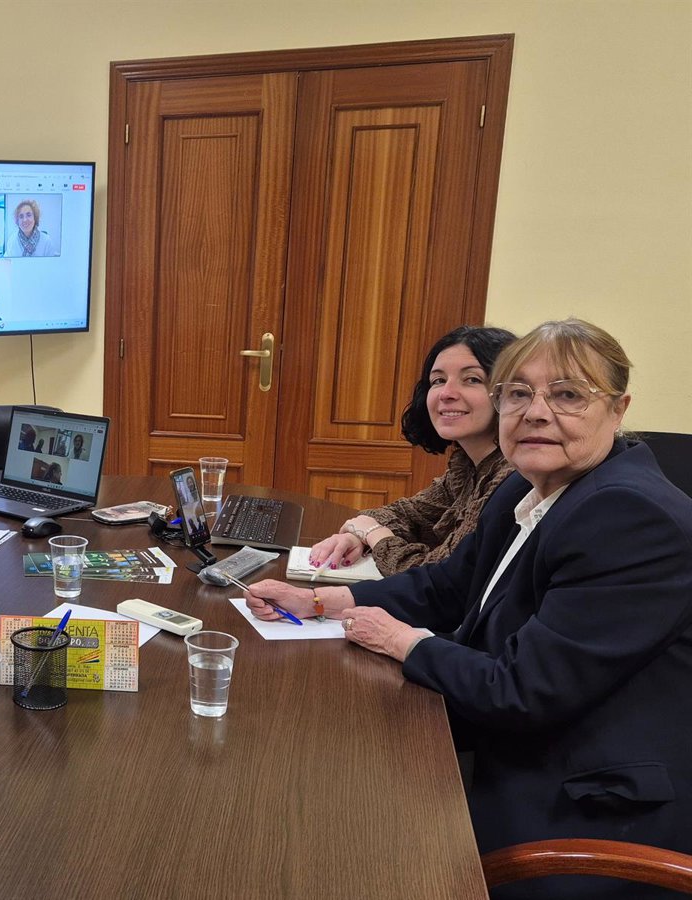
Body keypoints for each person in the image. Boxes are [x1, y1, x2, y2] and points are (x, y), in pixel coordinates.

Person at [246, 319, 692, 895]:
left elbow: (522, 691)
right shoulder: (527, 485)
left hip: (591, 807)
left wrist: (403, 640)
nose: (535, 413)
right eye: (518, 393)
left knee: (344, 842)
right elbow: (448, 587)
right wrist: (321, 600)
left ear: (619, 408)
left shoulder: (629, 517)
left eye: (567, 394)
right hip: (509, 741)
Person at [311, 326, 517, 575]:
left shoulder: (512, 476)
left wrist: (373, 533)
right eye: (438, 380)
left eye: (472, 379)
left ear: (512, 393)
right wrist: (356, 535)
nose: (446, 393)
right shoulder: (466, 466)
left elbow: (437, 578)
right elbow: (408, 513)